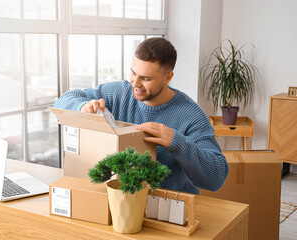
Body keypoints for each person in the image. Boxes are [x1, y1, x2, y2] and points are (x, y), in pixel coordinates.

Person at [54, 37, 228, 194]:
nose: (135, 83)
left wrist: (176, 141)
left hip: (169, 206)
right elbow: (64, 100)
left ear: (168, 77)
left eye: (146, 78)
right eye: (133, 73)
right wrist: (83, 106)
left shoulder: (191, 115)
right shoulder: (118, 94)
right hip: (119, 200)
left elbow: (216, 178)